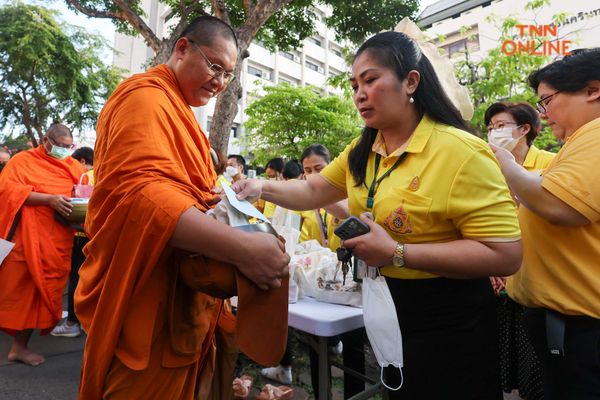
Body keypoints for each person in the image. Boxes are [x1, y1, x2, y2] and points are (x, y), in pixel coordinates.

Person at [234, 31, 522, 399]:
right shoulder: (365, 147)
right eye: (355, 84)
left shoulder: (461, 151)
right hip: (385, 304)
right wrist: (260, 188)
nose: (359, 93)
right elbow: (313, 190)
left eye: (370, 80)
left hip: (449, 315)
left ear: (411, 82)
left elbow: (506, 254)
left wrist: (398, 252)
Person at [74, 16, 289, 399]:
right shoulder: (144, 97)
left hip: (180, 302)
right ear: (182, 48)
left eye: (227, 75)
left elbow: (185, 193)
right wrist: (242, 249)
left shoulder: (180, 113)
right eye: (215, 66)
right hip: (146, 299)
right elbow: (144, 197)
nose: (220, 82)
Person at [491, 48, 600, 400]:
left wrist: (506, 165)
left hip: (583, 329)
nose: (544, 114)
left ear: (592, 90)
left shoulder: (595, 134)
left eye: (547, 101)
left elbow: (558, 203)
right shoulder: (579, 143)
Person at [0, 123, 84, 366]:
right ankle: (18, 348)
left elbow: (81, 197)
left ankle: (19, 348)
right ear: (46, 140)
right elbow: (6, 192)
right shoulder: (21, 161)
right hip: (26, 242)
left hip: (57, 242)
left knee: (41, 297)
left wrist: (80, 219)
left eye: (70, 147)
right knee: (18, 297)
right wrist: (49, 200)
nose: (65, 151)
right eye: (61, 147)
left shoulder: (73, 166)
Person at [50, 146, 95, 338]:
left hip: (81, 235)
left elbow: (75, 207)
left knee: (77, 278)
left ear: (82, 161)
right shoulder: (108, 172)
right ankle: (89, 321)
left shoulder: (86, 177)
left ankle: (72, 323)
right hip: (100, 235)